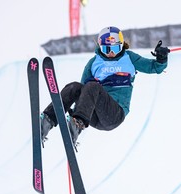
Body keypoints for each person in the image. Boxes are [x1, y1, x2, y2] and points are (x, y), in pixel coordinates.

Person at [41, 26, 170, 145]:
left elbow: (153, 67)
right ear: (100, 47)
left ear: (121, 46)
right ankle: (47, 121)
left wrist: (161, 58)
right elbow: (82, 93)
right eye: (106, 49)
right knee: (75, 87)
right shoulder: (94, 63)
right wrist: (75, 111)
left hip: (114, 114)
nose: (111, 53)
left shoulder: (129, 58)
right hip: (94, 116)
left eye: (114, 49)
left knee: (93, 86)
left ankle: (78, 124)